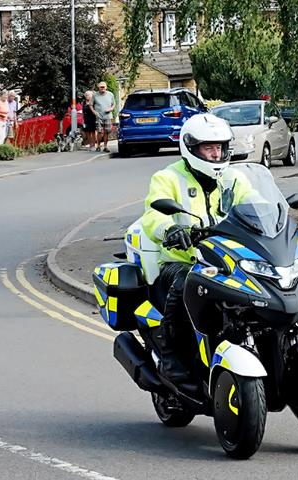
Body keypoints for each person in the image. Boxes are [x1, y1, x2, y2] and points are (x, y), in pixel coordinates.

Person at [140, 114, 254, 391]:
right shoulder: (167, 178)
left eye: (220, 147)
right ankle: (170, 359)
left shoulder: (235, 179)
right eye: (208, 148)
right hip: (181, 261)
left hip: (228, 260)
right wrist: (169, 230)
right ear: (192, 148)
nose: (216, 154)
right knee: (187, 283)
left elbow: (256, 206)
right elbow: (153, 213)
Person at [92, 81, 115, 152]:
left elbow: (113, 104)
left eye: (103, 87)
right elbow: (90, 104)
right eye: (101, 87)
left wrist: (111, 109)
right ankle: (98, 146)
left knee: (107, 132)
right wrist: (94, 112)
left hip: (108, 116)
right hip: (99, 116)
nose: (102, 88)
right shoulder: (95, 95)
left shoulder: (110, 94)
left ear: (106, 87)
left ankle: (105, 146)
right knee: (99, 131)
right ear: (98, 88)